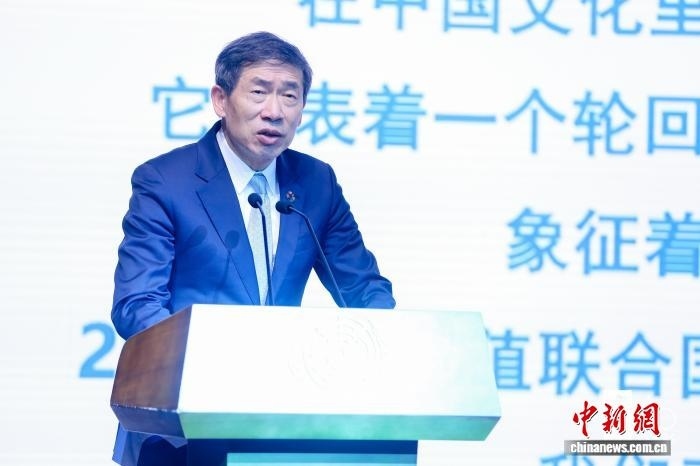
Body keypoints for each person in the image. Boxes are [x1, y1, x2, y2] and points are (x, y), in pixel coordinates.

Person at [110, 31, 395, 466]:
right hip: (179, 434)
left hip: (284, 428)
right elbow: (136, 305)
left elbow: (364, 289)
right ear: (220, 100)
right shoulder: (165, 181)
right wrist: (210, 366)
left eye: (290, 96)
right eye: (259, 92)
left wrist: (381, 344)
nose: (274, 111)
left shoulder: (316, 183)